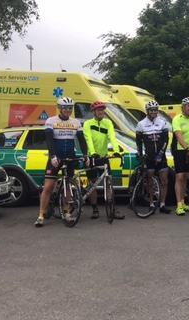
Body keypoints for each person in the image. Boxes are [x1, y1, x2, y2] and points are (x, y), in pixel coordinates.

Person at [35, 97, 89, 227]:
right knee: (48, 186)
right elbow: (49, 140)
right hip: (56, 157)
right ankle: (41, 215)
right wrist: (53, 156)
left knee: (68, 186)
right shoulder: (51, 120)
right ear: (59, 108)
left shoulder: (76, 122)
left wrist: (85, 155)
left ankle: (67, 213)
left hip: (70, 157)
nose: (68, 110)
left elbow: (82, 140)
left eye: (70, 108)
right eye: (65, 108)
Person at [82, 101, 125, 219]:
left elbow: (112, 137)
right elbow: (88, 139)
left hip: (104, 157)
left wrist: (116, 150)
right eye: (98, 110)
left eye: (102, 110)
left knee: (108, 183)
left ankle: (113, 209)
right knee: (92, 184)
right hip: (91, 157)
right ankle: (95, 209)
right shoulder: (88, 124)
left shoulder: (108, 123)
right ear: (94, 112)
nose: (101, 112)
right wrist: (92, 153)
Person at [135, 100, 171, 214]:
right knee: (150, 182)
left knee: (164, 181)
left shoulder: (162, 122)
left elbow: (166, 140)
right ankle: (151, 204)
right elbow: (138, 142)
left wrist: (161, 153)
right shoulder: (141, 124)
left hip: (161, 156)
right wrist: (140, 154)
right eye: (151, 110)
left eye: (155, 110)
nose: (154, 112)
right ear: (147, 111)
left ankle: (162, 204)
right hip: (149, 157)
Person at [171, 97, 189, 216]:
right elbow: (178, 135)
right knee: (179, 176)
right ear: (183, 107)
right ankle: (178, 205)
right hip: (179, 149)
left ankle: (183, 202)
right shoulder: (177, 119)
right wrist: (186, 148)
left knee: (186, 176)